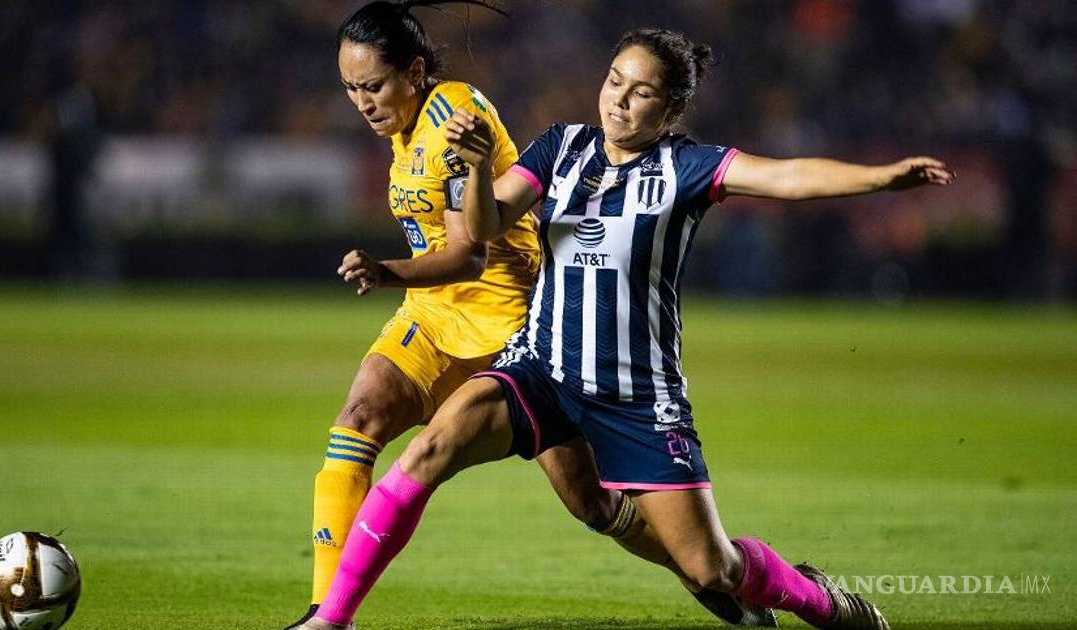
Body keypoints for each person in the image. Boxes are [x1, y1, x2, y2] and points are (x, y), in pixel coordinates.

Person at [295, 27, 954, 630]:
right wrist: (472, 166)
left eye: (641, 93)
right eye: (615, 81)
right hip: (540, 370)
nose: (620, 100)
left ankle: (818, 599)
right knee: (428, 451)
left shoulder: (687, 168)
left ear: (670, 110)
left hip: (636, 396)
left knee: (711, 567)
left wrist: (881, 178)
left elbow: (787, 176)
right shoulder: (561, 147)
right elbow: (488, 225)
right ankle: (331, 621)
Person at [287, 6, 773, 628]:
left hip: (512, 324)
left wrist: (386, 271)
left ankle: (709, 573)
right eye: (350, 88)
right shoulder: (402, 129)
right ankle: (326, 613)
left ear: (413, 72)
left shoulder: (453, 120)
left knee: (591, 503)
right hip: (434, 315)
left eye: (372, 86)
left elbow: (468, 255)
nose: (361, 102)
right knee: (357, 420)